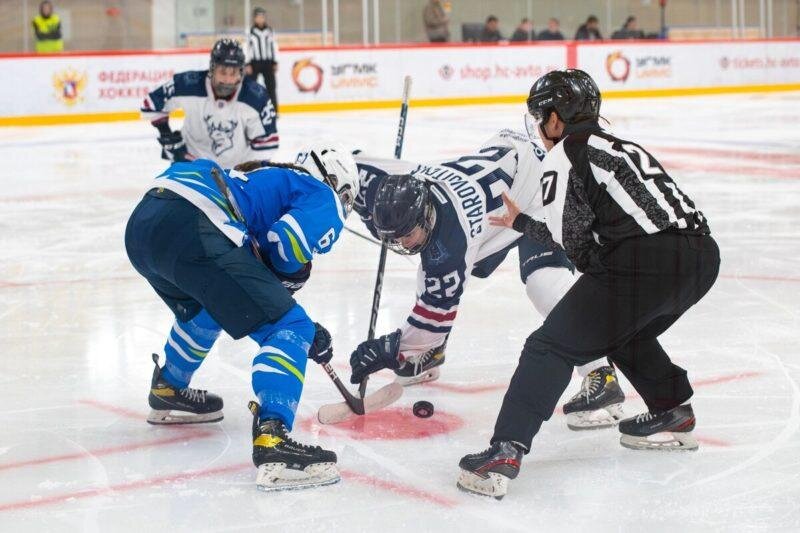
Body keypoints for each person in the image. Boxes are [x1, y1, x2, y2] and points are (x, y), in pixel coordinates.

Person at [457, 69, 720, 500]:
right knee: (620, 332)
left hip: (645, 262)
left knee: (550, 345)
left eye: (542, 115)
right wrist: (522, 222)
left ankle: (504, 451)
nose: (540, 126)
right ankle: (673, 410)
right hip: (702, 258)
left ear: (557, 119)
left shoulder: (565, 155)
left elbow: (573, 242)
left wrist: (591, 269)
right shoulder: (618, 145)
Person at [346, 131, 623, 425]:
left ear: (425, 216)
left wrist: (390, 348)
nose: (403, 244)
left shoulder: (451, 243)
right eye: (394, 239)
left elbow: (435, 319)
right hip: (500, 191)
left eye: (407, 235)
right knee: (429, 274)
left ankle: (600, 373)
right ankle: (430, 355)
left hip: (540, 190)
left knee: (544, 282)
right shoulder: (404, 186)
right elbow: (348, 165)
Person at [124, 147, 359, 491]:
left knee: (210, 306)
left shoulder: (266, 178)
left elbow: (248, 271)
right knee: (291, 327)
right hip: (194, 223)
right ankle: (273, 439)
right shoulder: (322, 194)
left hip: (145, 223)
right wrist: (295, 318)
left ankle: (168, 386)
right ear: (339, 183)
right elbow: (286, 245)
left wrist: (275, 297)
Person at [141, 39, 278, 168]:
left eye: (233, 73)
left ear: (241, 72)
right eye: (222, 71)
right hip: (191, 166)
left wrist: (244, 173)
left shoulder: (256, 97)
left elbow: (267, 144)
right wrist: (166, 134)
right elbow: (150, 104)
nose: (227, 79)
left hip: (235, 176)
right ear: (212, 68)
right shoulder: (188, 84)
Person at [246, 7, 280, 112]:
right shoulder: (250, 32)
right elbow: (247, 48)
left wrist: (275, 61)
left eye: (262, 17)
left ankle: (273, 110)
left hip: (268, 63)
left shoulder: (270, 31)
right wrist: (247, 63)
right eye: (258, 17)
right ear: (254, 18)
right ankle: (250, 110)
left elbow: (274, 46)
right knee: (251, 87)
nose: (260, 19)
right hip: (254, 63)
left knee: (271, 87)